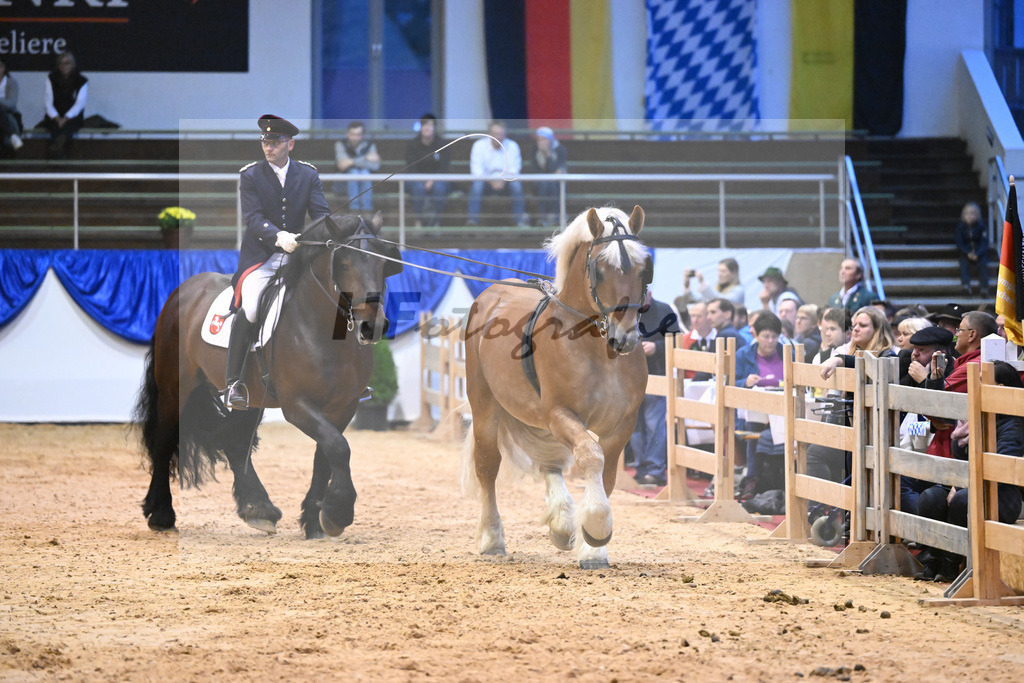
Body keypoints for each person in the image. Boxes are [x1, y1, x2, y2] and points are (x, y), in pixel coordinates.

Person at [226, 115, 331, 410]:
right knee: (253, 304)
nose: (268, 147)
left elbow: (321, 214)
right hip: (262, 256)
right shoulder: (250, 175)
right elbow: (253, 219)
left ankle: (344, 373)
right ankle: (233, 381)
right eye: (265, 142)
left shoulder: (308, 175)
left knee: (331, 294)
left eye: (274, 142)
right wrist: (278, 236)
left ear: (290, 144)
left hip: (297, 256)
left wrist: (327, 232)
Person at [915, 361, 1023, 581]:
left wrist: (964, 484)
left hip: (1001, 495)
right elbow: (940, 417)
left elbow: (1002, 468)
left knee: (963, 499)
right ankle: (932, 561)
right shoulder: (970, 416)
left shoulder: (1012, 423)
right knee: (931, 497)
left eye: (981, 380)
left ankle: (951, 567)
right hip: (967, 484)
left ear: (1000, 388)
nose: (973, 386)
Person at [627, 291, 681, 486]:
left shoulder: (665, 311)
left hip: (656, 375)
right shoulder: (629, 311)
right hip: (631, 377)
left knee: (654, 424)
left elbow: (677, 340)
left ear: (649, 294)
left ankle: (655, 469)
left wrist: (657, 347)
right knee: (635, 426)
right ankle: (642, 467)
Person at [467, 120, 528, 227]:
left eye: (501, 134)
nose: (498, 137)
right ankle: (472, 220)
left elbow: (514, 169)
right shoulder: (479, 145)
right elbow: (476, 170)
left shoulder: (512, 146)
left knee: (516, 184)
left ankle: (520, 221)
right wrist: (491, 181)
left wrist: (503, 179)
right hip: (486, 182)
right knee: (477, 184)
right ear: (489, 134)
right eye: (495, 134)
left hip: (506, 182)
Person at [405, 113, 449, 227]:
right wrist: (424, 180)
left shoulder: (442, 144)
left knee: (439, 188)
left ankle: (436, 222)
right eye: (424, 125)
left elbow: (444, 167)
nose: (427, 128)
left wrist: (432, 180)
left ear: (435, 127)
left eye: (430, 125)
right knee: (418, 188)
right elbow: (411, 167)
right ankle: (419, 221)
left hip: (438, 179)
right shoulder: (412, 144)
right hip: (416, 179)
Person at [42, 51, 87, 160]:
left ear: (73, 64)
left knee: (68, 128)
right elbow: (48, 101)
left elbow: (80, 103)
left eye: (67, 63)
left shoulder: (81, 80)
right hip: (54, 114)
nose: (64, 66)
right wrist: (57, 118)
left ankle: (59, 152)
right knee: (55, 127)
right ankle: (55, 154)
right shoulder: (51, 78)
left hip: (73, 115)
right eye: (62, 63)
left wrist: (66, 117)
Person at [335, 121, 380, 212]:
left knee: (364, 173)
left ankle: (366, 210)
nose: (355, 138)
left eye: (358, 135)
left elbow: (375, 165)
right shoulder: (340, 144)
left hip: (365, 182)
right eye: (352, 134)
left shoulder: (370, 145)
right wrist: (366, 158)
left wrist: (351, 161)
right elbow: (342, 165)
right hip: (343, 184)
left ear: (362, 135)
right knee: (354, 173)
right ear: (348, 134)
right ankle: (355, 210)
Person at [528, 126, 566, 227]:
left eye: (544, 139)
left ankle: (555, 216)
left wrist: (548, 155)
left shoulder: (560, 150)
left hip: (556, 183)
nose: (541, 142)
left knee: (552, 183)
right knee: (544, 183)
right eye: (539, 139)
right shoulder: (533, 150)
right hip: (538, 182)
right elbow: (535, 171)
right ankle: (543, 217)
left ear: (550, 140)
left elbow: (557, 170)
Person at [678, 257, 745, 308]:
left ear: (733, 273)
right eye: (718, 271)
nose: (719, 274)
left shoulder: (738, 291)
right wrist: (687, 284)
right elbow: (696, 302)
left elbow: (722, 303)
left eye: (723, 271)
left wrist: (702, 282)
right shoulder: (716, 290)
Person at [954, 202, 989, 295]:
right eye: (967, 214)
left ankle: (984, 287)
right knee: (963, 263)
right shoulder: (961, 227)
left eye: (973, 214)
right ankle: (965, 285)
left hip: (978, 252)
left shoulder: (981, 227)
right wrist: (967, 253)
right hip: (966, 252)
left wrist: (978, 253)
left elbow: (984, 242)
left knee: (983, 264)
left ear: (977, 215)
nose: (970, 216)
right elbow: (959, 243)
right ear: (963, 215)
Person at [0, 57, 23, 152]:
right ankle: (11, 136)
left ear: (4, 68)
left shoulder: (11, 83)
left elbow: (11, 104)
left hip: (9, 114)